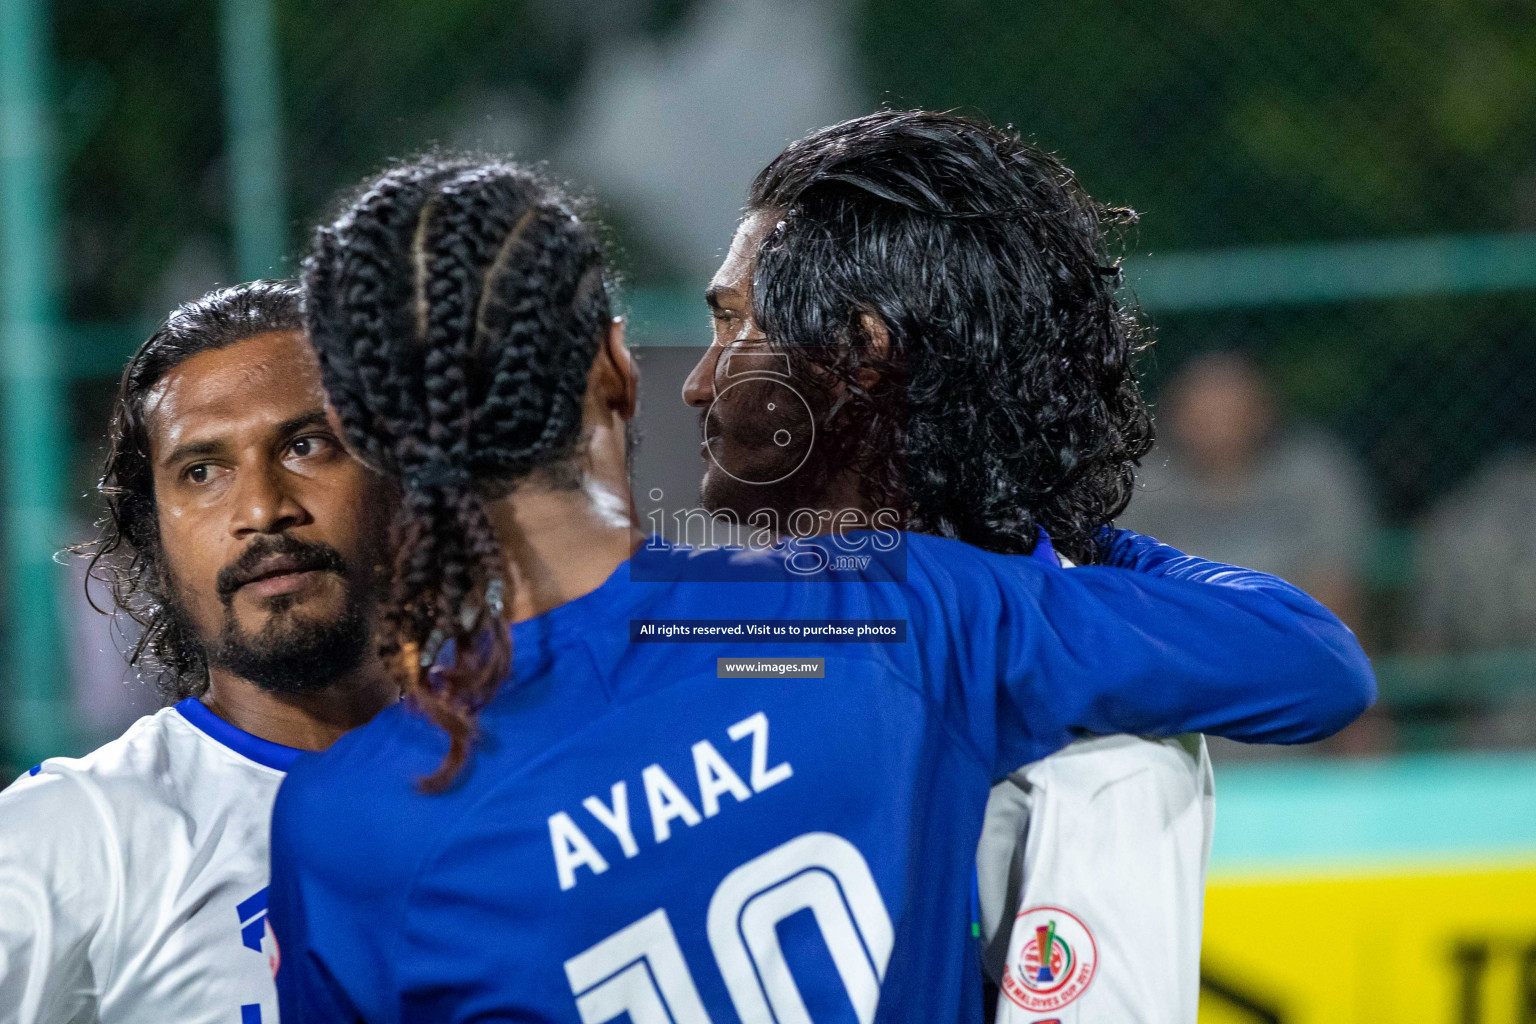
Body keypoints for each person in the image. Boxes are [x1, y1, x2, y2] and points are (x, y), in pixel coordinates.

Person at [268, 155, 1372, 1023]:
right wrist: (1068, 518)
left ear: (367, 435)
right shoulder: (888, 612)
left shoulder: (345, 826)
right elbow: (1308, 666)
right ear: (612, 363)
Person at [681, 110, 1216, 1022]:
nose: (697, 380)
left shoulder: (1095, 747)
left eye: (737, 324)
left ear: (861, 351)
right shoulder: (729, 637)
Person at [0, 281, 397, 1024]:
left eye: (307, 445)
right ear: (151, 543)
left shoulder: (554, 769)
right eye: (202, 472)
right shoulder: (78, 838)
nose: (262, 509)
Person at [1122, 351, 1374, 632]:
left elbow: (1335, 583)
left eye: (1231, 411)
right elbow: (1123, 587)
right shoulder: (1140, 482)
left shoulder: (1313, 474)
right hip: (1176, 642)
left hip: (1289, 637)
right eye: (1205, 414)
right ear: (1173, 414)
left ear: (1263, 411)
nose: (1219, 427)